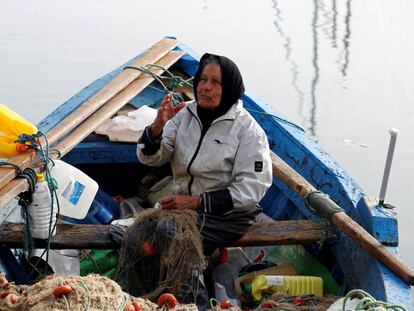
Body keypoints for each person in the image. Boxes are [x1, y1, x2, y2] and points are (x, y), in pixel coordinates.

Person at [137, 53, 272, 256]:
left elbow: (251, 190)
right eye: (202, 79)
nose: (205, 87)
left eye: (216, 82)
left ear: (229, 89)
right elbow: (150, 158)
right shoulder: (185, 115)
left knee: (169, 234)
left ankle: (189, 287)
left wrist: (196, 202)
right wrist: (157, 127)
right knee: (135, 234)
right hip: (185, 209)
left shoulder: (248, 131)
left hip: (227, 217)